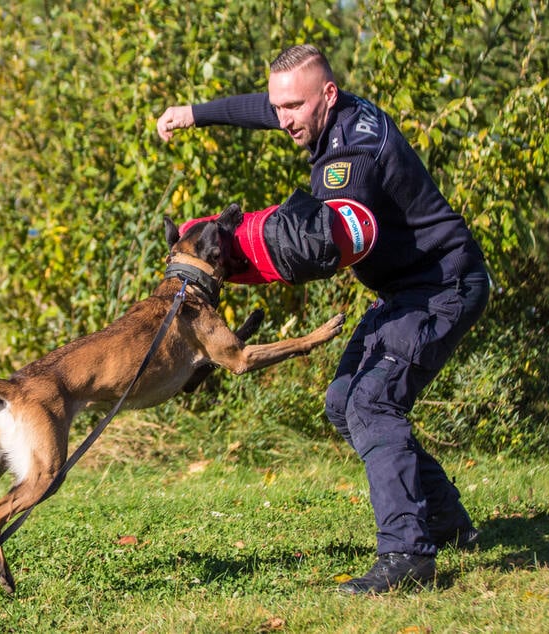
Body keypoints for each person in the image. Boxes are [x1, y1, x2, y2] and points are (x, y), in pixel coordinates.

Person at [156, 44, 489, 595]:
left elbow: (315, 245)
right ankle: (447, 520)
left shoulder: (350, 158)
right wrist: (194, 113)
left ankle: (408, 554)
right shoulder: (325, 112)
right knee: (342, 402)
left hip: (442, 286)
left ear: (327, 96)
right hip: (405, 289)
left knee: (371, 402)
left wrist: (237, 248)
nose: (283, 119)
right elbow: (268, 107)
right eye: (278, 107)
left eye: (293, 108)